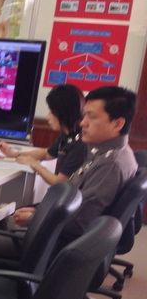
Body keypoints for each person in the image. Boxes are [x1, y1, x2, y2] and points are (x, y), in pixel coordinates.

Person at [16, 85, 137, 243]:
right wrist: (40, 211)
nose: (82, 123)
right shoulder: (102, 151)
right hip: (59, 230)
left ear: (117, 124)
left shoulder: (110, 164)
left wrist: (34, 218)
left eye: (91, 117)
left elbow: (79, 223)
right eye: (84, 115)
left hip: (58, 243)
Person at [0, 83, 86, 186]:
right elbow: (47, 154)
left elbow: (59, 182)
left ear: (63, 113)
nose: (48, 116)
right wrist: (14, 154)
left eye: (51, 112)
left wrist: (36, 165)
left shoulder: (80, 143)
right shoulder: (67, 133)